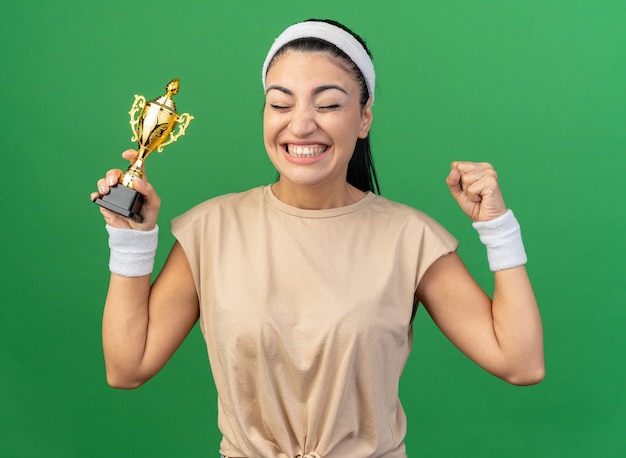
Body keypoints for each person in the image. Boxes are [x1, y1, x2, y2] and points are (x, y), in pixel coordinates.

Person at [91, 19, 544, 458]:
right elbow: (127, 367)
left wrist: (498, 227)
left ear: (364, 118)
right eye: (281, 103)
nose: (302, 124)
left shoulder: (409, 237)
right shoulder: (212, 229)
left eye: (327, 104)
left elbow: (521, 363)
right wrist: (132, 240)